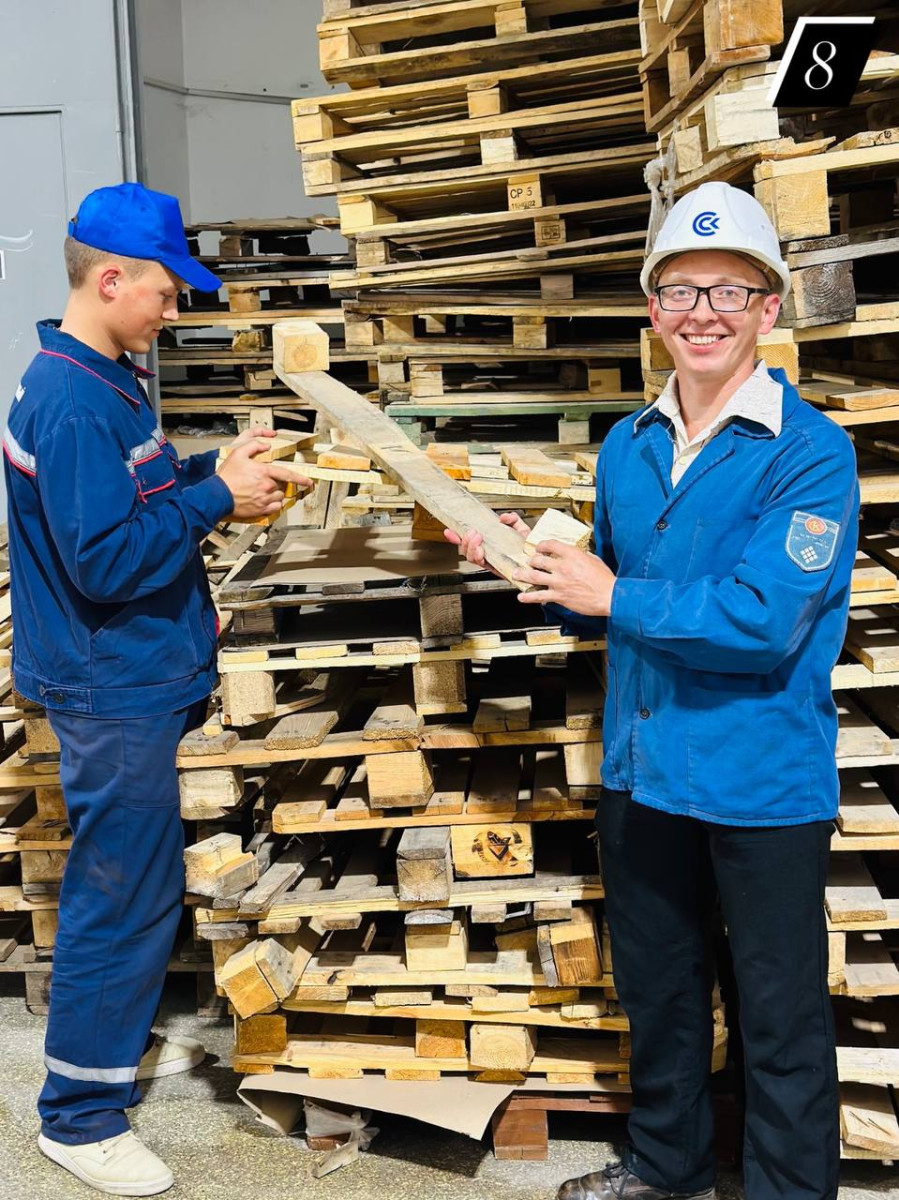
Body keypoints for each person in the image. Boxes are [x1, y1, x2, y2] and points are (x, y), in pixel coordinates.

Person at [448, 181, 858, 1200]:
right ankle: (665, 1172)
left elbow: (762, 621)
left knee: (777, 1013)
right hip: (642, 768)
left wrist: (611, 592)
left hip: (759, 779)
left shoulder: (809, 453)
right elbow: (605, 601)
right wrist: (527, 566)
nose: (701, 313)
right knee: (660, 993)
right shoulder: (628, 446)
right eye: (679, 291)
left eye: (728, 291)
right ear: (652, 309)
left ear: (767, 308)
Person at [4, 182, 310, 1196]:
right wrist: (219, 498)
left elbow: (129, 495)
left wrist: (211, 467)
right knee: (121, 896)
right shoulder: (71, 400)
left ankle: (104, 1066)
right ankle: (79, 1119)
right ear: (110, 279)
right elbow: (102, 560)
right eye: (165, 291)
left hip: (138, 672)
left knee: (132, 889)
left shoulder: (103, 377)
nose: (174, 310)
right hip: (112, 689)